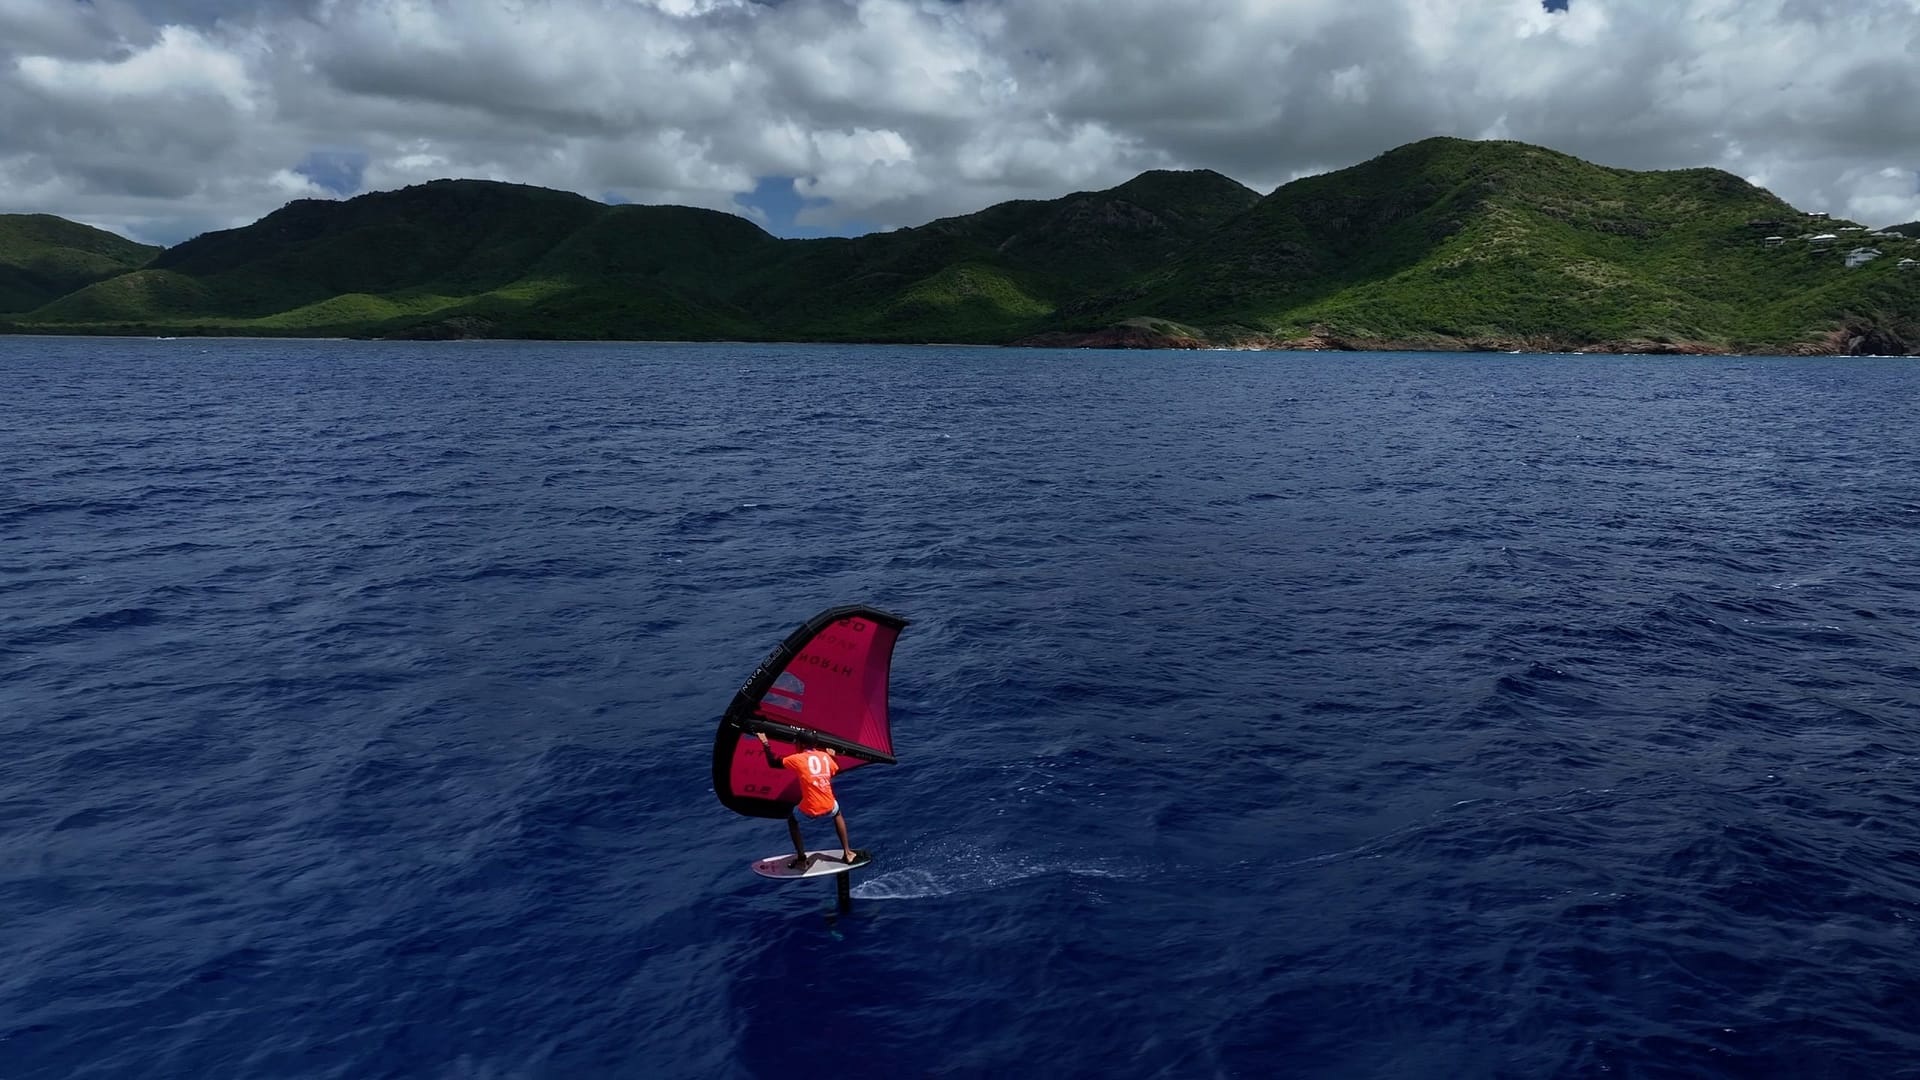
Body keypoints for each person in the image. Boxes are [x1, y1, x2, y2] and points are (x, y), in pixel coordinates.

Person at [756, 730, 856, 869]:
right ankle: (848, 852)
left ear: (801, 744)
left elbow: (773, 762)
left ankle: (802, 859)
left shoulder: (797, 758)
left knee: (792, 819)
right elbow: (835, 769)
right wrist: (833, 757)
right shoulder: (826, 757)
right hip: (829, 805)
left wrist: (765, 742)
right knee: (837, 813)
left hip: (811, 809)